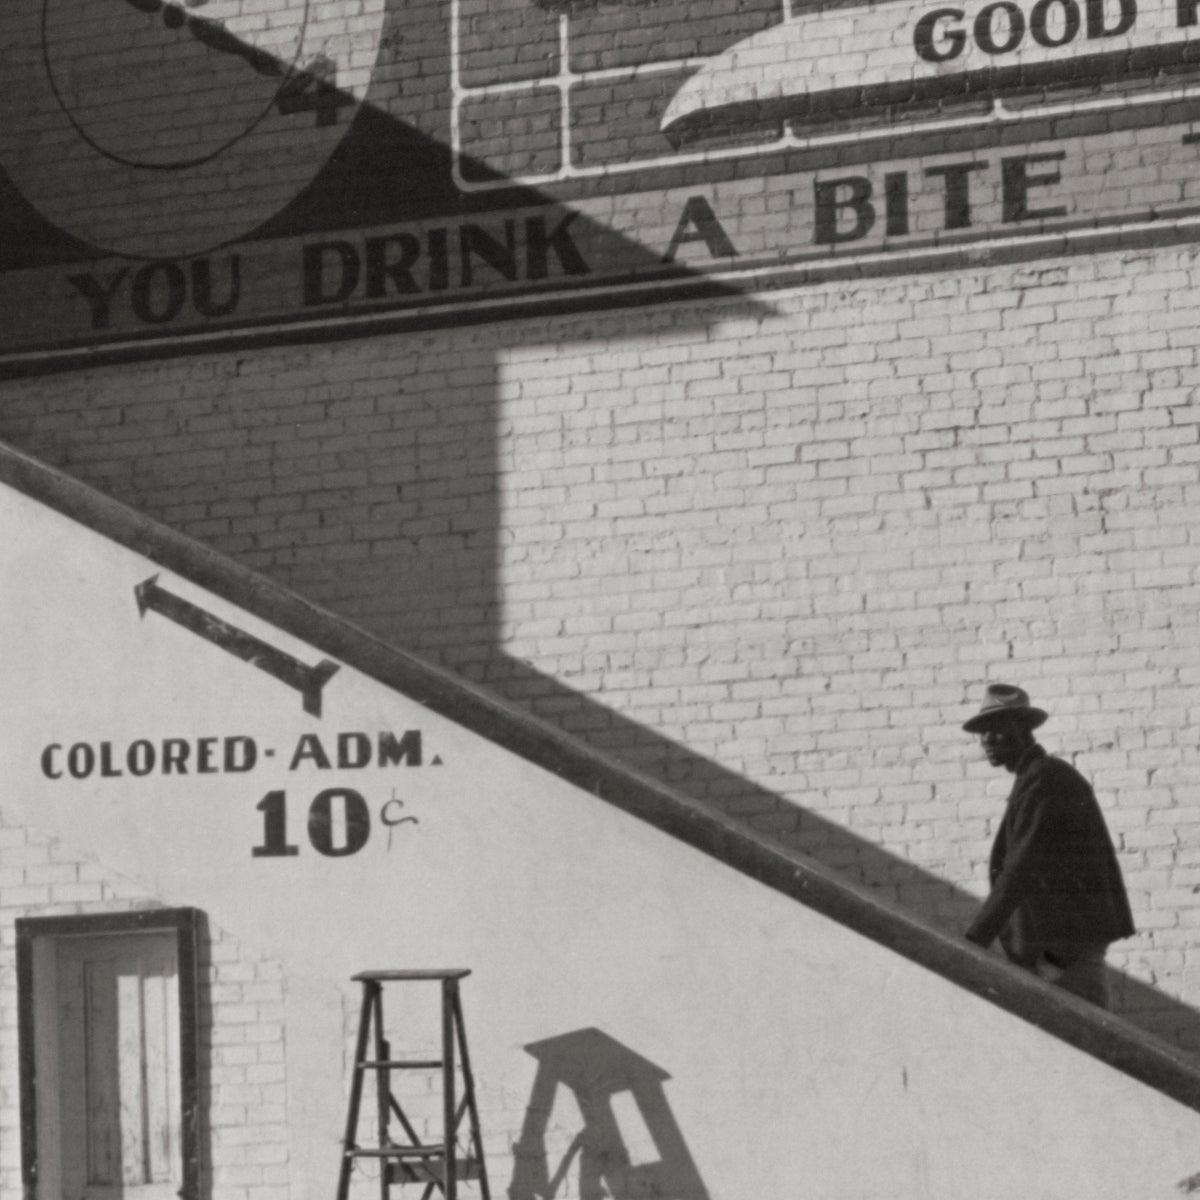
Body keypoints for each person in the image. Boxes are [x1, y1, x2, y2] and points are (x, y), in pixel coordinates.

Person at [962, 683, 1135, 1008]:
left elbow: (1020, 867)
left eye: (995, 728)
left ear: (1022, 728)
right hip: (1057, 951)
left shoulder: (1044, 779)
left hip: (1062, 955)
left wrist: (975, 939)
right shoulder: (1037, 778)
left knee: (1088, 1050)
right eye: (982, 731)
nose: (985, 739)